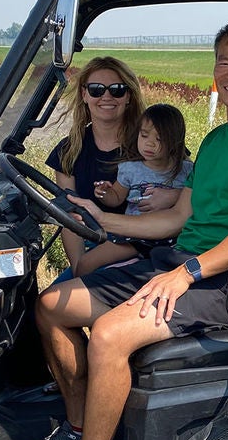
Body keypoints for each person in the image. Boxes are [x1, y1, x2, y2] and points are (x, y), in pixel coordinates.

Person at [7, 18, 228, 440]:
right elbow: (181, 217)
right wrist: (105, 219)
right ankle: (80, 427)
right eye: (225, 61)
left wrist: (186, 272)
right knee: (53, 307)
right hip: (181, 261)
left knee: (110, 336)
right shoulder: (218, 139)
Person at [44, 57, 179, 280]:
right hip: (92, 248)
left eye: (117, 90)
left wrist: (173, 196)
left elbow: (193, 187)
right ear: (84, 95)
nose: (106, 96)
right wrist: (80, 269)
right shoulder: (68, 151)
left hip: (148, 247)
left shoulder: (153, 142)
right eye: (96, 90)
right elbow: (70, 218)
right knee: (48, 303)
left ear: (128, 97)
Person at [75, 103, 194, 276]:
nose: (150, 144)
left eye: (160, 139)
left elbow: (196, 199)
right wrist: (104, 193)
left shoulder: (186, 170)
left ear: (175, 141)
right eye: (144, 135)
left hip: (171, 238)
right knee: (86, 263)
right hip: (134, 235)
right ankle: (82, 295)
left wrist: (174, 196)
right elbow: (116, 197)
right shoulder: (130, 169)